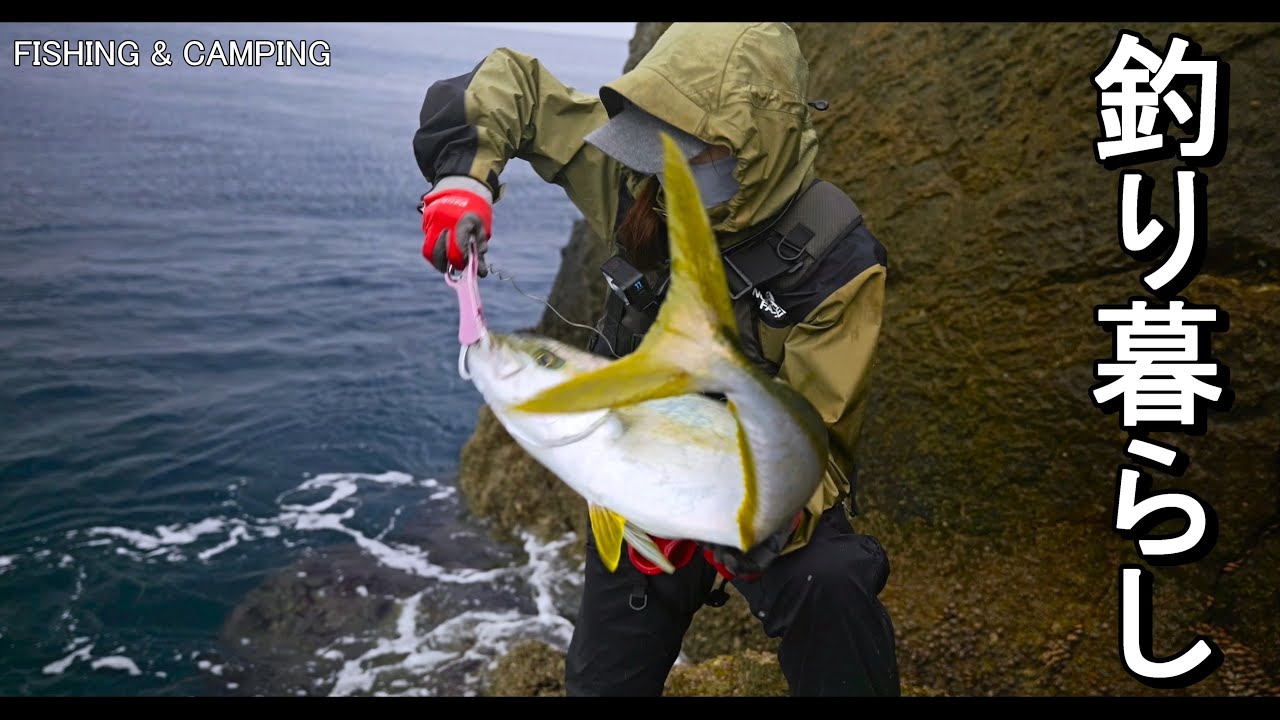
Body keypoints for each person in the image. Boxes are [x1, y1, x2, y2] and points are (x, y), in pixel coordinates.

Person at [412, 22, 899, 697]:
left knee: (834, 583)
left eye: (687, 148)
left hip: (759, 503)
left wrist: (728, 514)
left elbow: (817, 446)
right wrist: (464, 184)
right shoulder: (630, 178)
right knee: (602, 681)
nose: (657, 163)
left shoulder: (835, 262)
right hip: (641, 481)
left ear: (752, 144)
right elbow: (511, 87)